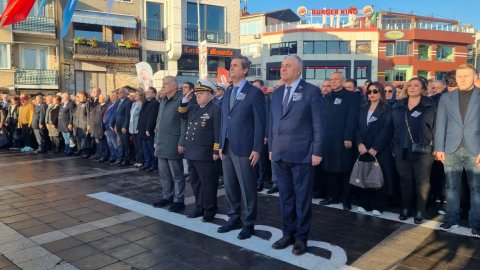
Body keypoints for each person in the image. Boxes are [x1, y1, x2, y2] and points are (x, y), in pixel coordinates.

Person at [269, 55, 324, 255]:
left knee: (302, 199)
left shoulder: (311, 92)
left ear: (299, 70)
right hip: (280, 154)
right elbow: (272, 123)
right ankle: (288, 233)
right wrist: (271, 148)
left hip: (302, 155)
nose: (283, 69)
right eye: (282, 66)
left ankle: (301, 237)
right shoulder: (277, 93)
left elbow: (318, 124)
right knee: (285, 198)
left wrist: (317, 151)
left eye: (288, 66)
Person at [217, 54, 266, 240]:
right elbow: (224, 120)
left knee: (247, 187)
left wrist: (257, 148)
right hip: (227, 146)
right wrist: (220, 144)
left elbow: (260, 123)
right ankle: (233, 217)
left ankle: (248, 223)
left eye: (236, 66)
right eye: (231, 66)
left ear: (245, 70)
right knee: (230, 185)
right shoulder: (228, 92)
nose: (231, 68)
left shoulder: (255, 93)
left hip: (245, 147)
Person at [435, 64, 480, 238]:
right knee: (451, 187)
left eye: (466, 76)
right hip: (451, 149)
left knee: (476, 188)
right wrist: (439, 147)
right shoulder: (446, 98)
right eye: (459, 76)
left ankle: (476, 224)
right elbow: (441, 124)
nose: (462, 79)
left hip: (475, 150)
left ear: (475, 77)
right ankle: (451, 219)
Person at [392, 77, 436, 224]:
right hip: (401, 148)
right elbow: (391, 127)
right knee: (405, 180)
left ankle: (420, 210)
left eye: (416, 85)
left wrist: (437, 147)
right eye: (409, 85)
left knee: (422, 181)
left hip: (423, 150)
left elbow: (436, 128)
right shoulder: (398, 105)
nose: (412, 87)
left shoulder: (431, 106)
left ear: (423, 89)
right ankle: (405, 208)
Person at [179, 79, 221, 222]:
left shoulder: (215, 108)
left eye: (201, 93)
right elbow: (182, 112)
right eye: (197, 94)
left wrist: (216, 150)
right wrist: (186, 98)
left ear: (210, 94)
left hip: (206, 153)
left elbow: (217, 131)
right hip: (192, 152)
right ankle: (199, 206)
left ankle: (210, 209)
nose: (198, 96)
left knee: (208, 183)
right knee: (195, 182)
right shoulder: (195, 108)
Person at [320, 72, 360, 210]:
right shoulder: (326, 97)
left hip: (343, 140)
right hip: (328, 140)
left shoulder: (352, 96)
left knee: (345, 170)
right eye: (331, 79)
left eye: (336, 79)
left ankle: (346, 199)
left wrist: (348, 137)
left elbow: (352, 118)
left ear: (343, 81)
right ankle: (332, 196)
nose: (333, 81)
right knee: (329, 169)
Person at [355, 82, 395, 215]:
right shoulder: (362, 108)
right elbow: (357, 127)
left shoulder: (387, 109)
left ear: (381, 93)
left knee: (378, 176)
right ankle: (364, 203)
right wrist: (359, 143)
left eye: (375, 91)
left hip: (379, 149)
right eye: (369, 91)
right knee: (364, 175)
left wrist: (376, 147)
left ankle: (378, 205)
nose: (372, 94)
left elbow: (387, 129)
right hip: (363, 148)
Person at [152, 76, 187, 213]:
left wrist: (182, 141)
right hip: (161, 142)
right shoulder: (163, 100)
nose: (163, 85)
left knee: (177, 174)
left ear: (174, 86)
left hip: (174, 142)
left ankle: (179, 200)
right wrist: (155, 139)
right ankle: (167, 197)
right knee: (164, 174)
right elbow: (158, 121)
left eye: (166, 83)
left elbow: (184, 123)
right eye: (163, 83)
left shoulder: (181, 100)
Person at [138, 87, 160, 172]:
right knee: (145, 149)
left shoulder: (155, 103)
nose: (147, 93)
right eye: (146, 92)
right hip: (142, 130)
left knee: (151, 149)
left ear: (154, 94)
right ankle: (147, 163)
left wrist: (148, 129)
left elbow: (152, 117)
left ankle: (154, 165)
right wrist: (138, 127)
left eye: (149, 92)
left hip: (148, 131)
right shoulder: (146, 102)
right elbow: (141, 116)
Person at [111, 87, 132, 166]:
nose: (119, 94)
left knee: (126, 144)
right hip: (118, 127)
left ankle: (127, 160)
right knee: (120, 144)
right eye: (119, 92)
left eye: (121, 92)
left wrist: (125, 126)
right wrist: (115, 125)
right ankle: (120, 158)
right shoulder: (119, 102)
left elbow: (128, 116)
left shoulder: (128, 102)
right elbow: (117, 115)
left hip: (123, 128)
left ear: (126, 94)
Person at [90, 93, 110, 162]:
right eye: (99, 97)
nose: (99, 98)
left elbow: (106, 117)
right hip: (96, 128)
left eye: (101, 97)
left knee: (104, 143)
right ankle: (100, 155)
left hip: (103, 127)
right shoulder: (97, 106)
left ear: (104, 98)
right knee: (99, 143)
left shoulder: (107, 105)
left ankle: (105, 156)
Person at [129, 90, 145, 168]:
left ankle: (141, 161)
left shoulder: (143, 104)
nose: (135, 96)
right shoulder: (133, 104)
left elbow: (141, 118)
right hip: (132, 128)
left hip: (138, 128)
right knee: (135, 146)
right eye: (135, 94)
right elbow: (131, 116)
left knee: (139, 146)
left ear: (141, 96)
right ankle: (137, 160)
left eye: (137, 95)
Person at [73, 91, 91, 158]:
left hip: (84, 125)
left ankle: (86, 153)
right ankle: (81, 151)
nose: (79, 98)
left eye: (81, 96)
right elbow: (75, 115)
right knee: (79, 139)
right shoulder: (79, 104)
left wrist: (88, 125)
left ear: (85, 97)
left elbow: (89, 114)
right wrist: (74, 125)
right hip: (78, 125)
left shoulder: (87, 103)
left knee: (85, 140)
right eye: (78, 96)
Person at [104, 90, 119, 164]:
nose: (112, 97)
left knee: (115, 143)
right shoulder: (110, 104)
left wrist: (113, 124)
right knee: (110, 144)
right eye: (111, 95)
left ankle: (118, 157)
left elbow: (115, 116)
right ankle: (113, 156)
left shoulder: (118, 104)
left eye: (113, 95)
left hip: (112, 127)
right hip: (107, 127)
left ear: (117, 96)